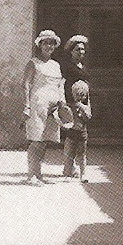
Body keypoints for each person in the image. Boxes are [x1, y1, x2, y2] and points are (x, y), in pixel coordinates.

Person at [22, 29, 67, 186]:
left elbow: (60, 85)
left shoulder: (56, 65)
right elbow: (26, 84)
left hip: (53, 108)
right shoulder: (33, 63)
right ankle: (31, 175)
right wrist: (27, 106)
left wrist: (62, 102)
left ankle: (38, 174)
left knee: (45, 140)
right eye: (45, 43)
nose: (49, 46)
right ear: (39, 45)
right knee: (36, 139)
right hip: (37, 104)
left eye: (51, 43)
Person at [62, 80, 91, 182]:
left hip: (82, 133)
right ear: (73, 95)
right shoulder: (70, 105)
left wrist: (82, 108)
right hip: (71, 132)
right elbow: (65, 116)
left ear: (85, 96)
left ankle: (83, 174)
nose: (79, 98)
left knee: (81, 155)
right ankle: (68, 173)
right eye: (77, 95)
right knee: (68, 154)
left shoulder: (86, 107)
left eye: (82, 95)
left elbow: (88, 117)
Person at [59, 35, 89, 105]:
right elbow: (62, 84)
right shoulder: (66, 66)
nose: (81, 52)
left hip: (84, 101)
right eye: (78, 49)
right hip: (71, 101)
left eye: (82, 49)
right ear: (71, 51)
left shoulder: (83, 67)